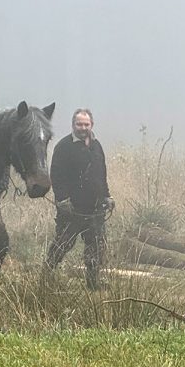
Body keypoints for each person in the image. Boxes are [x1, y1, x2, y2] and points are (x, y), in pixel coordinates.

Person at [45, 108, 114, 288]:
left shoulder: (96, 145)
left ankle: (93, 285)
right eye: (79, 124)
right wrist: (62, 200)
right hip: (72, 209)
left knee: (96, 249)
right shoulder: (63, 147)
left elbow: (101, 174)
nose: (83, 128)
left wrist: (107, 196)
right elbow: (56, 176)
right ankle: (46, 277)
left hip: (96, 209)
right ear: (73, 125)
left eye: (86, 124)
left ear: (92, 125)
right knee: (62, 245)